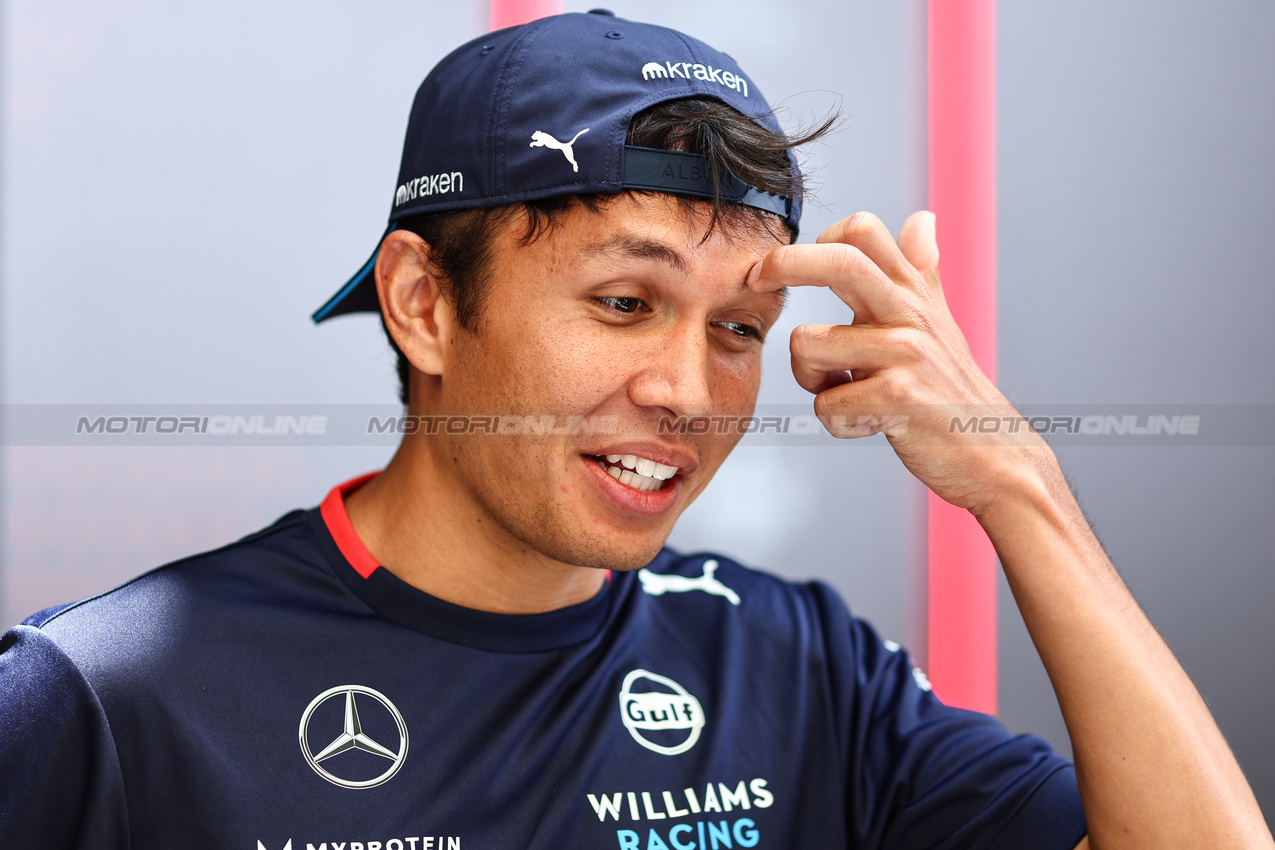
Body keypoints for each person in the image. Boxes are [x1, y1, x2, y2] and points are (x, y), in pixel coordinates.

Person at [1, 11, 1270, 850]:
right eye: (624, 302)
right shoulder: (104, 698)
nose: (689, 389)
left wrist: (1017, 484)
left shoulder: (803, 671)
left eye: (737, 329)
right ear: (425, 302)